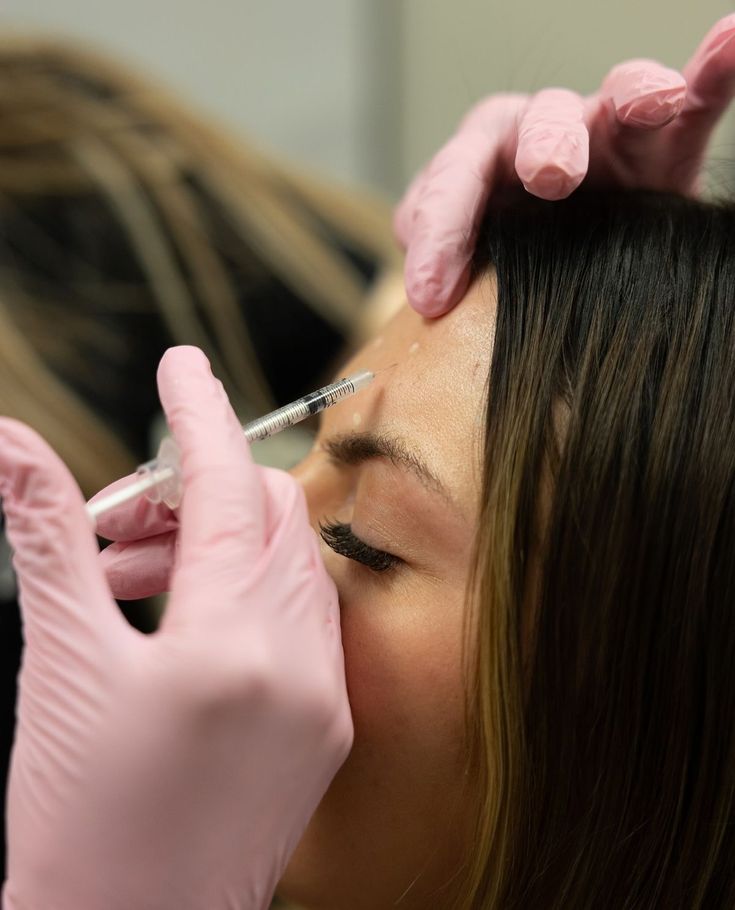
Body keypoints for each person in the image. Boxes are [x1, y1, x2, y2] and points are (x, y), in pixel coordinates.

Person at [3, 13, 735, 910]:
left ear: (654, 717)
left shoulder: (55, 169)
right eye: (357, 536)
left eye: (358, 538)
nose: (233, 531)